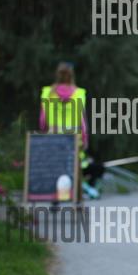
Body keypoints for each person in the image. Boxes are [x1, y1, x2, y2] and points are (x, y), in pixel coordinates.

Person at [39, 62, 88, 203]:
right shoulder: (79, 93)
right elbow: (82, 121)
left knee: (55, 168)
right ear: (72, 76)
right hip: (73, 138)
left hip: (53, 137)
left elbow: (43, 120)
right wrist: (84, 139)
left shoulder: (48, 92)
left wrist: (43, 133)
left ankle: (56, 198)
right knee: (75, 169)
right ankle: (77, 201)